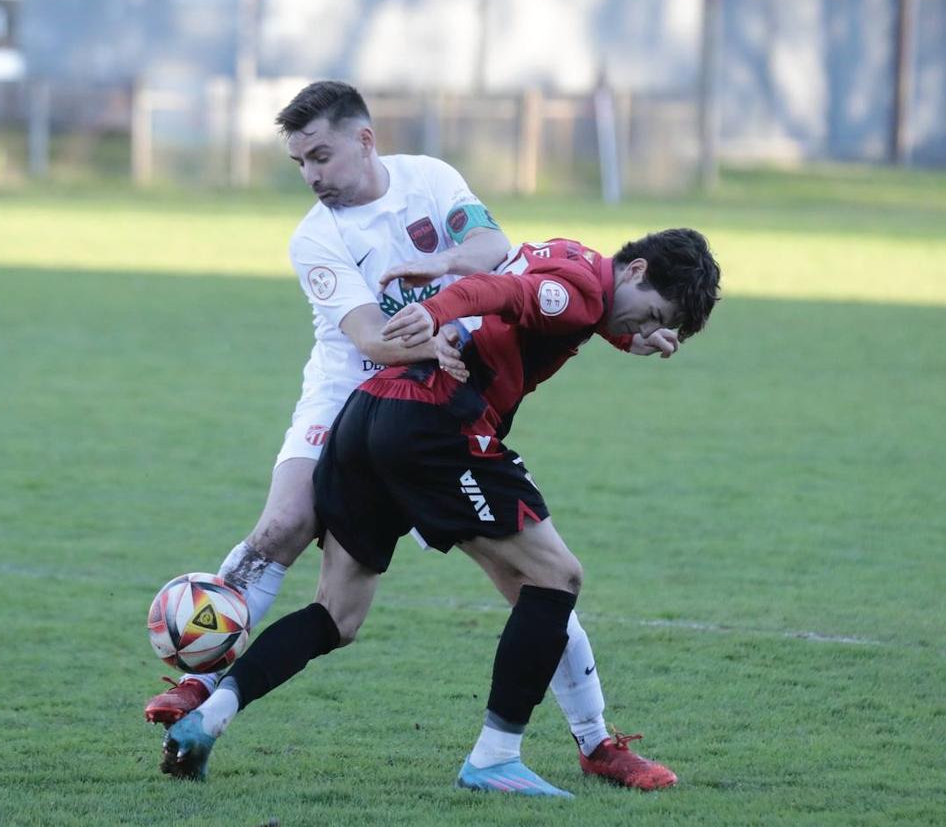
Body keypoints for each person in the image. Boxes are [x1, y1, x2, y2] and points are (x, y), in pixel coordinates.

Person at [144, 80, 674, 789]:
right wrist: (437, 332)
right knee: (284, 525)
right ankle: (199, 681)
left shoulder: (429, 177)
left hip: (422, 391)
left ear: (365, 140)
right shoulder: (316, 237)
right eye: (300, 162)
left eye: (321, 156)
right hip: (359, 391)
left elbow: (493, 249)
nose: (312, 175)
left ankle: (595, 739)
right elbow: (370, 334)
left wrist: (447, 271)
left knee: (491, 593)